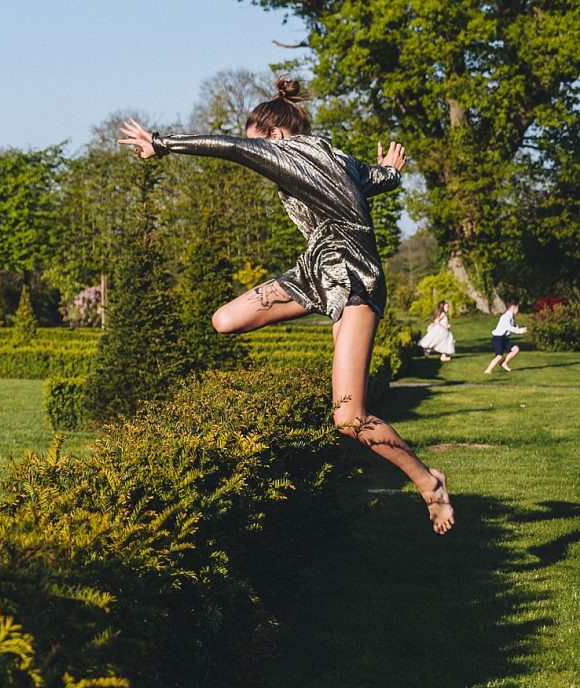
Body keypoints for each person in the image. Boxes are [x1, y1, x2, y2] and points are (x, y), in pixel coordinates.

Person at [117, 76, 454, 535]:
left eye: (263, 149)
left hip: (354, 281)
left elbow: (231, 147)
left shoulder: (285, 152)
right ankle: (421, 475)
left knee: (349, 419)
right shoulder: (338, 157)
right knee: (224, 320)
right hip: (314, 272)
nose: (261, 160)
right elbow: (375, 180)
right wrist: (392, 172)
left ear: (276, 137)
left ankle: (428, 482)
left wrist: (161, 143)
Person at [484, 303, 527, 374]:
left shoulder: (511, 317)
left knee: (515, 349)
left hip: (504, 338)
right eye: (517, 308)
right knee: (499, 356)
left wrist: (517, 328)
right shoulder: (505, 317)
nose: (518, 310)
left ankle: (504, 363)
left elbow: (510, 329)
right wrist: (521, 330)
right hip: (498, 338)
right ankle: (488, 370)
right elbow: (509, 328)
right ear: (513, 307)